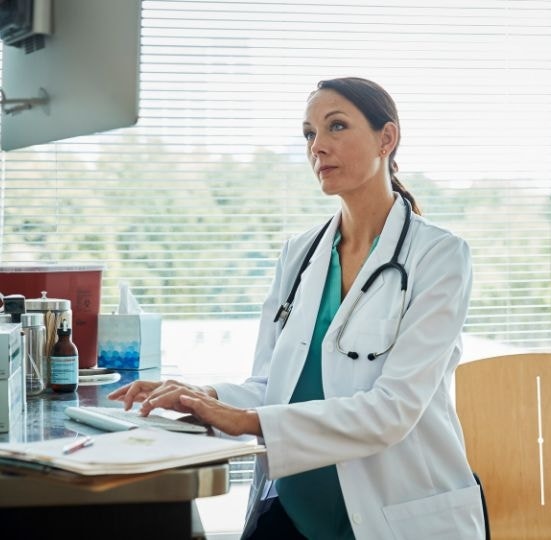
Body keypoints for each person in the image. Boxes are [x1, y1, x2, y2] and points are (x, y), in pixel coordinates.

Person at [108, 76, 486, 539]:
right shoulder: (299, 253)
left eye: (337, 127)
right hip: (295, 512)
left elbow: (393, 411)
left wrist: (247, 422)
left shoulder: (440, 256)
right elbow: (271, 385)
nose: (318, 147)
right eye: (309, 133)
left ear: (387, 139)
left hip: (394, 513)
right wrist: (202, 397)